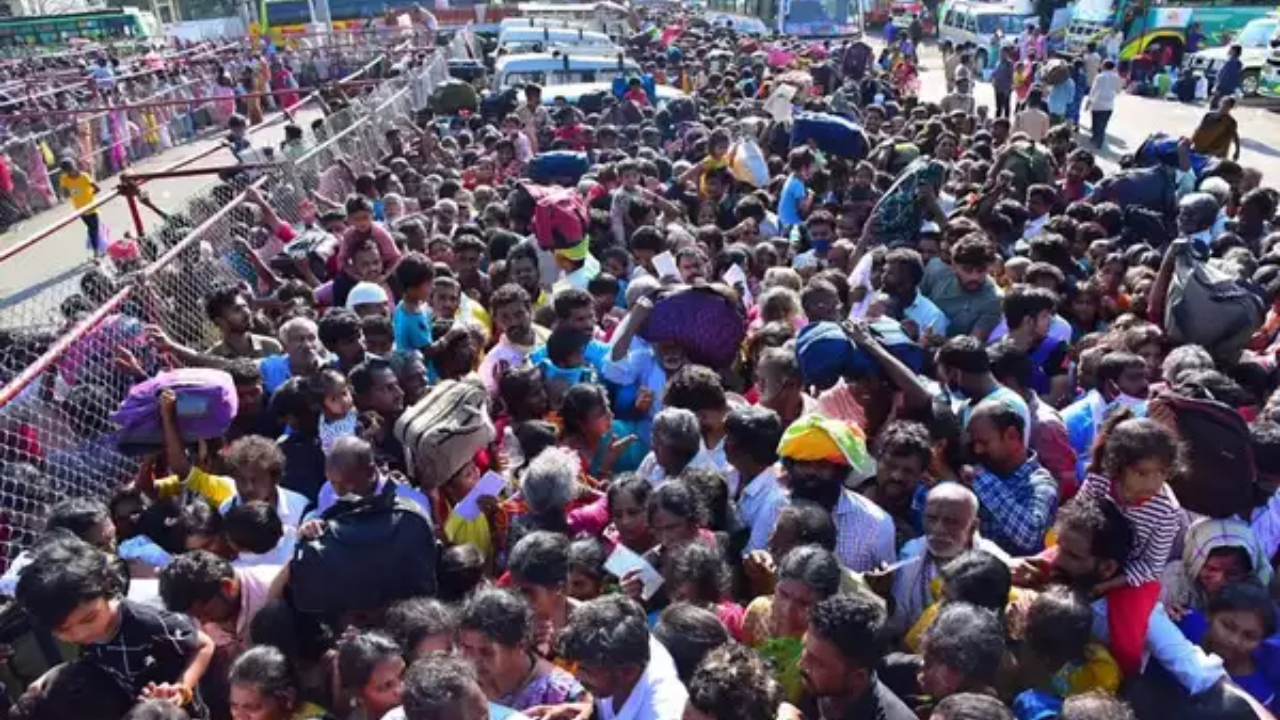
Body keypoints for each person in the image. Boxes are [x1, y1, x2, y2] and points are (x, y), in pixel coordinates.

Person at [15, 537, 216, 714]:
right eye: (63, 630)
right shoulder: (91, 633)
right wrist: (50, 676)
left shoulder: (148, 622)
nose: (81, 634)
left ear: (108, 588)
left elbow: (204, 645)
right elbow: (92, 659)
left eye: (89, 619)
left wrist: (181, 688)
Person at [556, 595, 688, 720]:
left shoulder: (663, 712)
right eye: (577, 666)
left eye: (586, 670)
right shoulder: (624, 638)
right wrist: (586, 711)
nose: (577, 676)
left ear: (628, 672)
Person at [800, 593, 916, 720]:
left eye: (818, 663)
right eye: (805, 648)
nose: (802, 664)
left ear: (857, 677)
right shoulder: (818, 686)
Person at [58, 157, 102, 255]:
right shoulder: (64, 178)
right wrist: (63, 196)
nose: (71, 172)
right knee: (92, 229)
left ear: (74, 166)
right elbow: (63, 191)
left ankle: (96, 249)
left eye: (71, 169)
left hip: (90, 207)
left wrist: (89, 196)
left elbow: (97, 189)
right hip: (80, 210)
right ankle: (96, 250)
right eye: (68, 171)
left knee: (92, 229)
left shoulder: (84, 176)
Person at [1086, 60, 1124, 150]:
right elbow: (1119, 91)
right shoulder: (1116, 77)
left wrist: (1088, 103)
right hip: (1109, 105)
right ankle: (1098, 139)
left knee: (1096, 123)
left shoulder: (1100, 76)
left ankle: (1096, 139)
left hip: (1097, 104)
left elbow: (1093, 91)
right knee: (1103, 124)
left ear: (1104, 66)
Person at [1192, 95, 1241, 160]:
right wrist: (1193, 142)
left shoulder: (1230, 122)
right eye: (1223, 103)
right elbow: (1199, 130)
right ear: (1219, 103)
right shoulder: (1208, 115)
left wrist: (1237, 151)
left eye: (1227, 105)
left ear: (1230, 107)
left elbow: (1235, 137)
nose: (1224, 106)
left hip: (1216, 151)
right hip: (1201, 147)